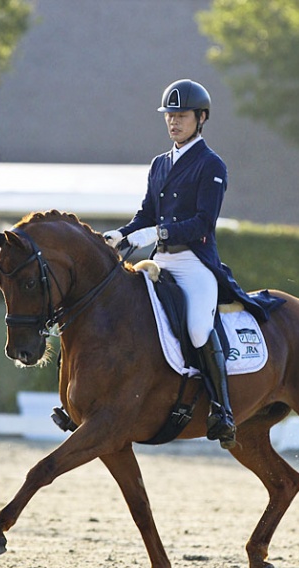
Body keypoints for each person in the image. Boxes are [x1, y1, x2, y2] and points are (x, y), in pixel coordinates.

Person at [104, 79, 281, 449]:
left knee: (199, 328)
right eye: (170, 116)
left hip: (194, 264)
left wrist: (157, 233)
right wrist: (121, 234)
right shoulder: (159, 164)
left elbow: (203, 223)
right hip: (159, 264)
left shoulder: (210, 164)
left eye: (181, 116)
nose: (173, 122)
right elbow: (146, 214)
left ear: (201, 118)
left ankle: (222, 409)